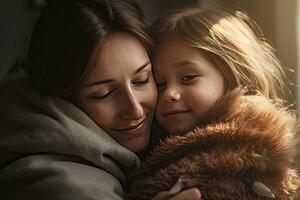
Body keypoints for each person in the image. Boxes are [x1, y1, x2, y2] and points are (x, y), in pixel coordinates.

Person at [0, 0, 201, 199]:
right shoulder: (63, 184)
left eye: (142, 79)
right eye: (103, 94)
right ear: (62, 97)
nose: (135, 110)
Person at [129, 7, 300, 200]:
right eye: (159, 84)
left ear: (231, 76)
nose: (169, 93)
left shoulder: (244, 162)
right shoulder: (151, 152)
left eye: (188, 77)